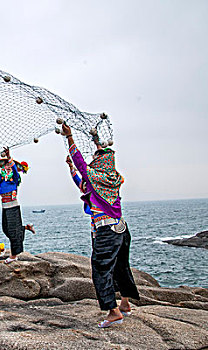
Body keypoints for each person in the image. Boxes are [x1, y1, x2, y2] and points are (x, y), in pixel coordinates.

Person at [61, 124, 139, 328]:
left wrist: (69, 137)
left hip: (105, 231)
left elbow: (81, 164)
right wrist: (95, 141)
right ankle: (125, 304)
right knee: (121, 266)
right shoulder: (114, 177)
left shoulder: (95, 177)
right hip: (121, 228)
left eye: (96, 158)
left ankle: (113, 312)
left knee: (101, 269)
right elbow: (83, 175)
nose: (93, 160)